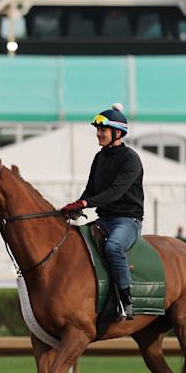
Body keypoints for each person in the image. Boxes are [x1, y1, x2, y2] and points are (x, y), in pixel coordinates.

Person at [59, 103, 143, 321]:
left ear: (117, 132)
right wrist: (76, 205)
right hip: (104, 219)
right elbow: (91, 189)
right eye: (98, 130)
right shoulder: (100, 157)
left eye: (102, 131)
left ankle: (126, 302)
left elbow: (115, 192)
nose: (98, 134)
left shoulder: (131, 160)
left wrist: (85, 204)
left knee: (113, 246)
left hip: (127, 221)